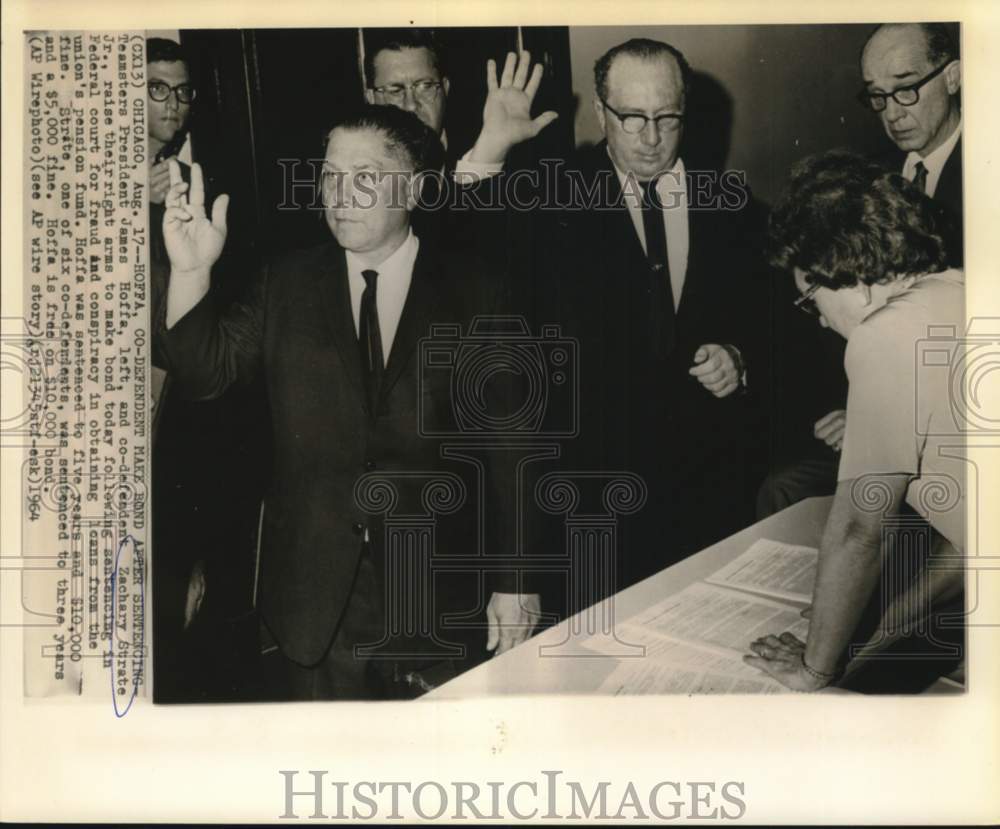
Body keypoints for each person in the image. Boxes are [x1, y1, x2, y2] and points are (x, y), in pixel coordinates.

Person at [160, 105, 540, 700]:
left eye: (365, 176)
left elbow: (512, 450)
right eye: (331, 176)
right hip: (310, 599)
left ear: (413, 188)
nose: (341, 196)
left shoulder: (479, 289)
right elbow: (206, 375)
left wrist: (515, 581)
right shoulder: (284, 282)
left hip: (439, 590)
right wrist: (190, 273)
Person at [475, 38, 763, 595]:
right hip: (592, 507)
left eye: (667, 117)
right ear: (603, 115)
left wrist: (741, 358)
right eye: (631, 117)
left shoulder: (733, 209)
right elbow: (457, 254)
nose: (650, 137)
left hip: (706, 499)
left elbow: (771, 323)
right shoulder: (552, 198)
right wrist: (490, 150)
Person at [745, 151, 965, 691]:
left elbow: (859, 529)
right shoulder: (959, 288)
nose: (817, 318)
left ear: (856, 279)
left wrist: (815, 666)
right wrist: (869, 630)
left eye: (809, 296)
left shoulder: (883, 337)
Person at [755, 21, 963, 520]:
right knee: (781, 489)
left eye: (907, 89)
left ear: (953, 77)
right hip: (872, 412)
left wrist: (884, 415)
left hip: (957, 427)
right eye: (877, 96)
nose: (892, 112)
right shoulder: (871, 178)